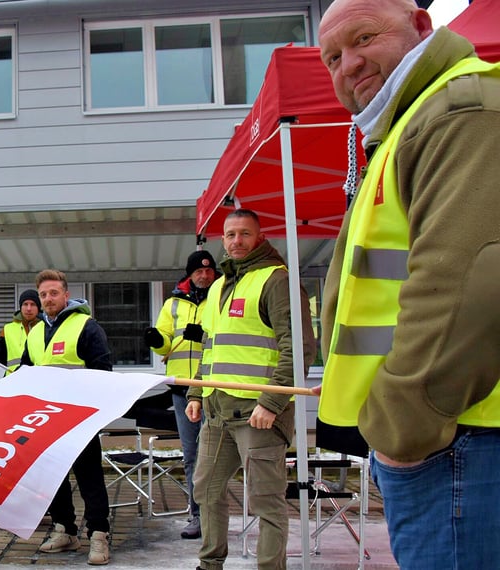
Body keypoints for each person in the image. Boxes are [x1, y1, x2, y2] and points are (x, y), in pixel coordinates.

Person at [317, 1, 500, 567]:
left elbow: (466, 282)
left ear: (422, 27)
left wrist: (401, 428)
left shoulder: (457, 108)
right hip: (443, 435)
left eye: (364, 37)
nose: (348, 64)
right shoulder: (412, 120)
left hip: (452, 438)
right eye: (332, 57)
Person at [185, 209, 315, 570]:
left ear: (259, 237)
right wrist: (197, 393)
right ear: (222, 239)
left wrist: (272, 402)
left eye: (244, 234)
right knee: (206, 491)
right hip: (216, 412)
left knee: (266, 501)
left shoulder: (277, 280)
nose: (236, 241)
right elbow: (212, 347)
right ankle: (209, 564)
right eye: (230, 235)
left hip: (257, 415)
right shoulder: (218, 286)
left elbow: (299, 346)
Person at [19, 269, 112, 566]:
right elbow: (24, 372)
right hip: (45, 420)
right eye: (43, 294)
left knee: (89, 478)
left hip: (79, 419)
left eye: (53, 293)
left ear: (66, 294)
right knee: (52, 477)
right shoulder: (35, 333)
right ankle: (65, 530)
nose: (48, 299)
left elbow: (102, 372)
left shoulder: (86, 326)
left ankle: (98, 534)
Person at [143, 249, 219, 540]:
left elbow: (230, 337)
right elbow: (165, 344)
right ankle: (197, 515)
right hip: (181, 389)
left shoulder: (222, 296)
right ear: (189, 274)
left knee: (218, 455)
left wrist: (201, 336)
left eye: (209, 270)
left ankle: (217, 515)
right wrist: (155, 340)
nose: (204, 275)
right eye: (198, 271)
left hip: (214, 386)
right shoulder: (173, 302)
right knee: (192, 455)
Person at [0, 288, 42, 373]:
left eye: (33, 304)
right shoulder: (7, 329)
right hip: (14, 380)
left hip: (39, 379)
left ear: (39, 308)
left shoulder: (46, 327)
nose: (29, 308)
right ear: (20, 307)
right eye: (25, 304)